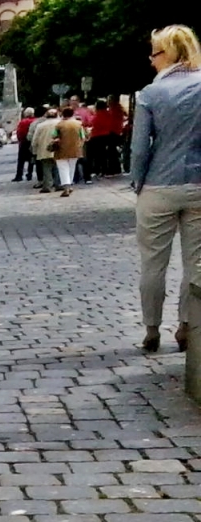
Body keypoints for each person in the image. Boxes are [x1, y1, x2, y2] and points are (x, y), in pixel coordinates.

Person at [130, 24, 201, 353]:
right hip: (199, 185)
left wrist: (138, 182)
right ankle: (188, 325)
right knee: (196, 262)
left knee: (153, 263)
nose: (151, 60)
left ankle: (151, 329)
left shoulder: (151, 93)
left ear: (169, 54)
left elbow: (140, 147)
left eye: (154, 53)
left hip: (158, 184)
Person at [52, 107, 86, 198]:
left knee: (63, 168)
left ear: (63, 114)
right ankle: (70, 185)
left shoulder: (59, 125)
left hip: (61, 150)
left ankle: (66, 187)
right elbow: (83, 137)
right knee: (72, 167)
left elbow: (54, 136)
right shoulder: (79, 124)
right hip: (75, 149)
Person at [88, 99, 122, 176]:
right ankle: (104, 170)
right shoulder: (109, 114)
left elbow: (92, 123)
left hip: (96, 136)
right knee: (104, 154)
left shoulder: (97, 115)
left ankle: (97, 170)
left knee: (97, 154)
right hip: (107, 135)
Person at [30, 108, 61, 193]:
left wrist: (34, 149)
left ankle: (48, 186)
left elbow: (34, 139)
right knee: (58, 167)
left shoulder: (40, 125)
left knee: (46, 168)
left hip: (44, 150)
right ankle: (58, 184)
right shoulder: (60, 123)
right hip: (58, 148)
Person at [14, 107, 36, 181]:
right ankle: (29, 174)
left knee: (21, 160)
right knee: (31, 159)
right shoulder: (35, 121)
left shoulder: (23, 122)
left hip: (24, 142)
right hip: (32, 142)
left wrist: (20, 140)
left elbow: (19, 132)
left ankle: (19, 175)